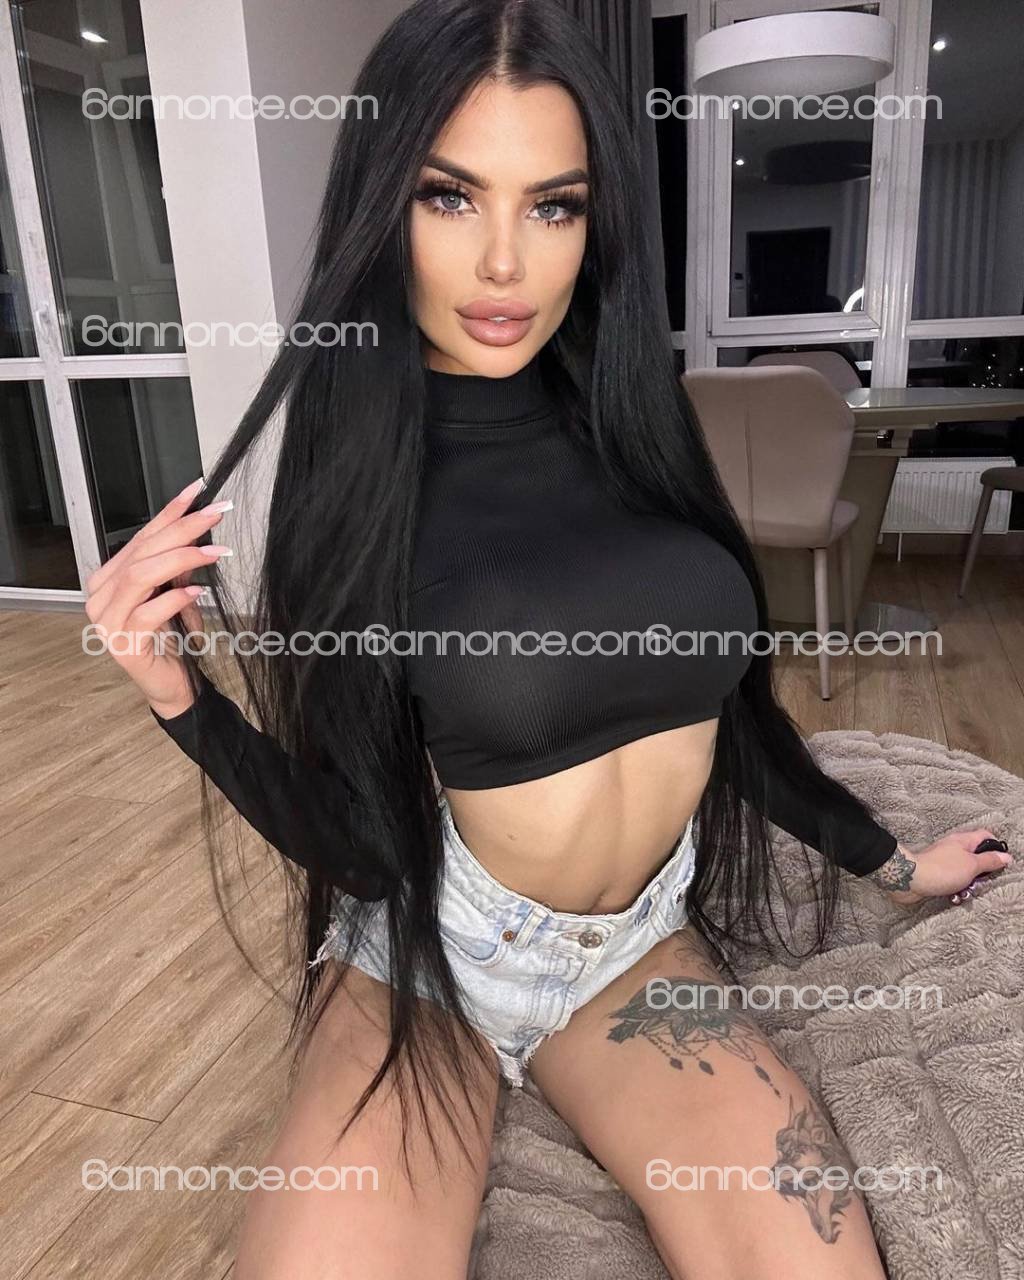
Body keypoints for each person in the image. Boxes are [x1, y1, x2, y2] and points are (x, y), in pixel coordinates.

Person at [82, 2, 1012, 1276]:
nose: (504, 263)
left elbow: (727, 711)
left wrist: (891, 863)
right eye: (449, 196)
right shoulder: (355, 489)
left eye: (554, 205)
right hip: (425, 955)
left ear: (595, 220)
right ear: (383, 208)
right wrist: (177, 697)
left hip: (636, 952)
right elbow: (359, 842)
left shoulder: (640, 428)